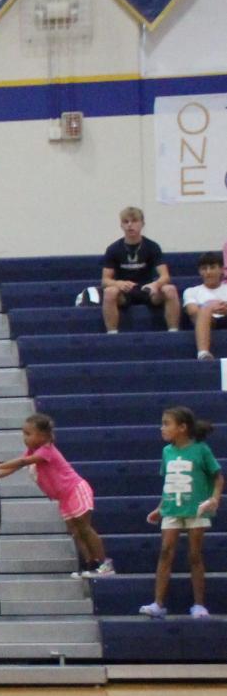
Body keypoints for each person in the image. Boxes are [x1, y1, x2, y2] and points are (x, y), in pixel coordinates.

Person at [0, 414, 113, 579]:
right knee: (75, 531)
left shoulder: (47, 450)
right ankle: (90, 564)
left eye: (28, 434)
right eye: (24, 434)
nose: (25, 438)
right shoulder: (33, 450)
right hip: (64, 497)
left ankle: (104, 564)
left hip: (75, 490)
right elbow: (14, 468)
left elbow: (21, 463)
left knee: (85, 528)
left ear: (43, 436)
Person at [139, 406, 222, 620]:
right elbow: (169, 483)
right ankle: (158, 604)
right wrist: (160, 508)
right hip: (172, 509)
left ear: (182, 428)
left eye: (167, 424)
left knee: (194, 555)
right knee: (166, 552)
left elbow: (218, 477)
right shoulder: (167, 452)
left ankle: (199, 605)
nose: (162, 428)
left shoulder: (201, 449)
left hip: (195, 509)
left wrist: (214, 498)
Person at [101, 205, 178, 333]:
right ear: (121, 225)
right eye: (126, 222)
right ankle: (112, 334)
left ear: (142, 224)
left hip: (147, 290)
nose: (130, 225)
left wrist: (155, 284)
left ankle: (173, 331)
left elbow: (165, 276)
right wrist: (117, 283)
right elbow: (105, 280)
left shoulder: (152, 247)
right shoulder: (113, 249)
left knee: (170, 289)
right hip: (125, 292)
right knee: (109, 292)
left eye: (134, 221)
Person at [186, 253, 227, 360]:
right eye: (204, 269)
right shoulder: (191, 291)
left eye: (212, 268)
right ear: (200, 272)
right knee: (204, 310)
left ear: (222, 270)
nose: (208, 272)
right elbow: (192, 311)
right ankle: (203, 353)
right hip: (205, 320)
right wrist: (210, 307)